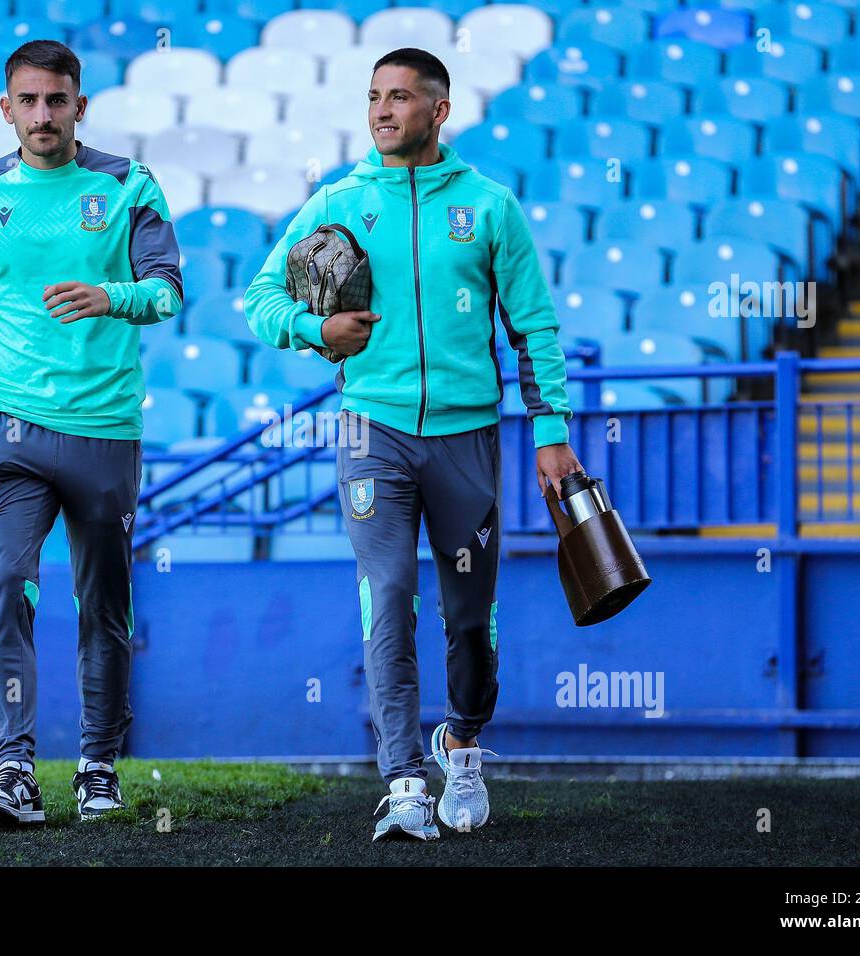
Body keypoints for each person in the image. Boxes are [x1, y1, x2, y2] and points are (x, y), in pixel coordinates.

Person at [244, 47, 582, 842]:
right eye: (373, 98)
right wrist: (312, 326)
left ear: (440, 109)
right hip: (372, 430)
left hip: (467, 437)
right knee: (388, 594)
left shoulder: (490, 208)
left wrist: (553, 432)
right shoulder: (338, 200)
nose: (383, 111)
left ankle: (460, 746)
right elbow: (261, 298)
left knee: (470, 620)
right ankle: (402, 778)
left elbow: (533, 327)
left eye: (400, 97)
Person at [0, 40, 183, 826]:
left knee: (104, 602)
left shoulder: (128, 184)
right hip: (9, 431)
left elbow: (168, 290)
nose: (44, 115)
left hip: (105, 429)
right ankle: (13, 769)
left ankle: (98, 765)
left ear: (81, 105)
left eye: (58, 100)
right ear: (6, 109)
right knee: (6, 580)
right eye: (29, 101)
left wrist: (113, 297)